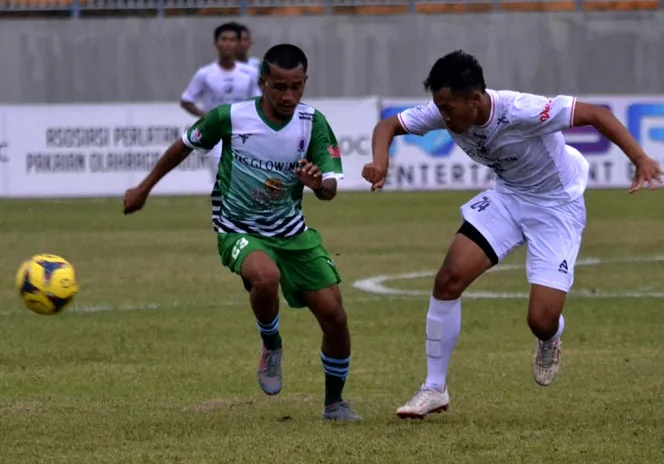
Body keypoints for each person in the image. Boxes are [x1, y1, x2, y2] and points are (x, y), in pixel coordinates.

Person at [362, 50, 663, 420]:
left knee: (541, 320)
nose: (443, 117)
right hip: (508, 199)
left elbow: (597, 115)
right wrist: (380, 162)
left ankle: (550, 338)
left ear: (475, 99)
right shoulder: (445, 110)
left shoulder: (523, 110)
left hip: (556, 207)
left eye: (448, 108)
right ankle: (434, 388)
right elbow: (387, 126)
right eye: (439, 108)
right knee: (448, 279)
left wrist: (640, 159)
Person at [124, 43, 360, 422]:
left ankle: (334, 403)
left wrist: (318, 185)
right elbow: (183, 146)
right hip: (238, 229)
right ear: (263, 82)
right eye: (279, 86)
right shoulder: (230, 117)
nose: (288, 95)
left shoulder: (312, 122)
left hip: (292, 232)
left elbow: (330, 188)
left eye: (296, 86)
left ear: (305, 82)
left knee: (335, 317)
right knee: (265, 277)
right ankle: (271, 344)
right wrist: (143, 188)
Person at [180, 22, 262, 176]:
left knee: (246, 177)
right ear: (216, 43)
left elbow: (258, 100)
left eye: (232, 40)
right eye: (224, 39)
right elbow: (186, 100)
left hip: (244, 132)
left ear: (238, 44)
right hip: (217, 133)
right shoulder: (205, 73)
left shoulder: (250, 72)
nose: (228, 44)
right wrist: (205, 116)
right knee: (222, 175)